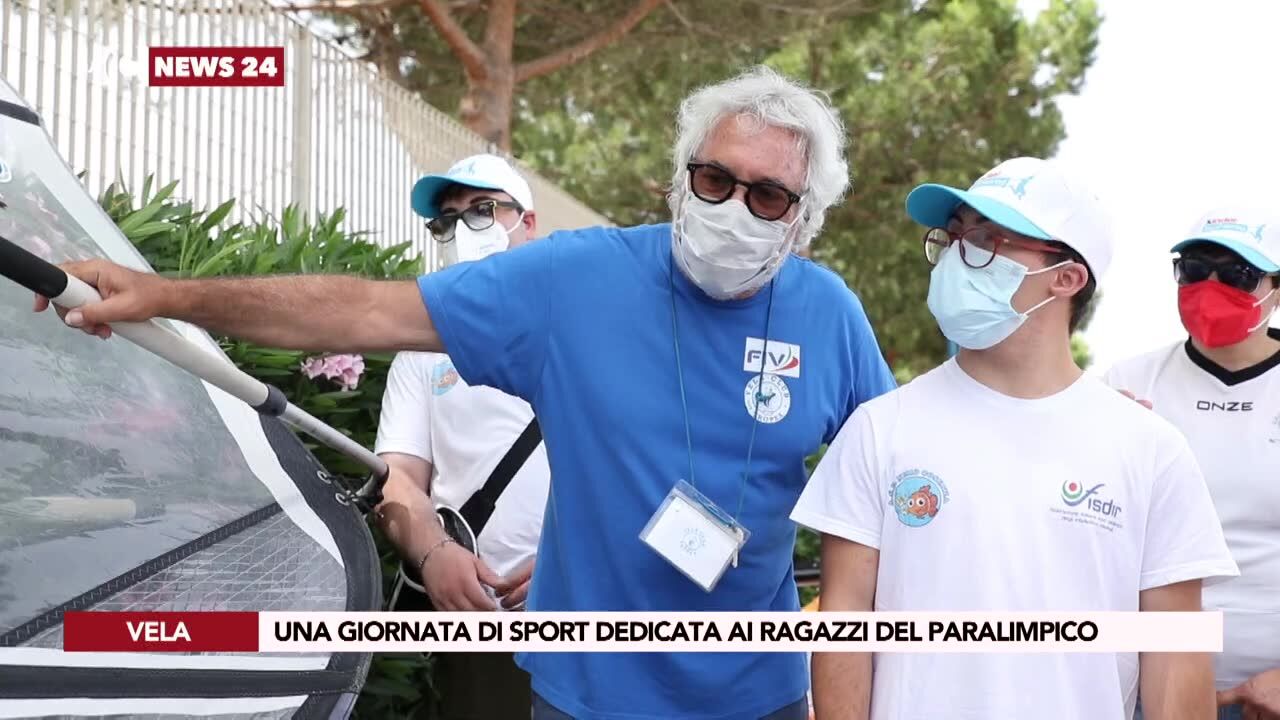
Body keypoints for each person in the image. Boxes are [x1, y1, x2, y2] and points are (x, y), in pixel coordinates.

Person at [35, 65, 898, 720]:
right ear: (680, 179)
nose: (734, 207)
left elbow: (898, 489)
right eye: (716, 180)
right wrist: (167, 294)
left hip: (762, 693)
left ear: (802, 217)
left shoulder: (829, 315)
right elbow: (364, 312)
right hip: (585, 691)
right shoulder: (574, 278)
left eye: (768, 195)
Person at [790, 156, 1240, 720]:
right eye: (952, 238)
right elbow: (845, 625)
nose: (957, 258)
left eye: (983, 240)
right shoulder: (882, 428)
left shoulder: (1150, 448)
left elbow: (1176, 656)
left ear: (1067, 278)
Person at [376, 153, 548, 719]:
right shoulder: (421, 350)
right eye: (445, 221)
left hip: (596, 611)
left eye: (481, 210)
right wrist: (432, 553)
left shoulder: (588, 330)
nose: (458, 232)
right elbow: (399, 482)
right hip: (475, 625)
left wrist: (575, 560)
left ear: (527, 224)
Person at [1104, 207, 1280, 720]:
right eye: (1195, 268)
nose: (1211, 284)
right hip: (1148, 690)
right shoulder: (1127, 384)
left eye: (1237, 274)